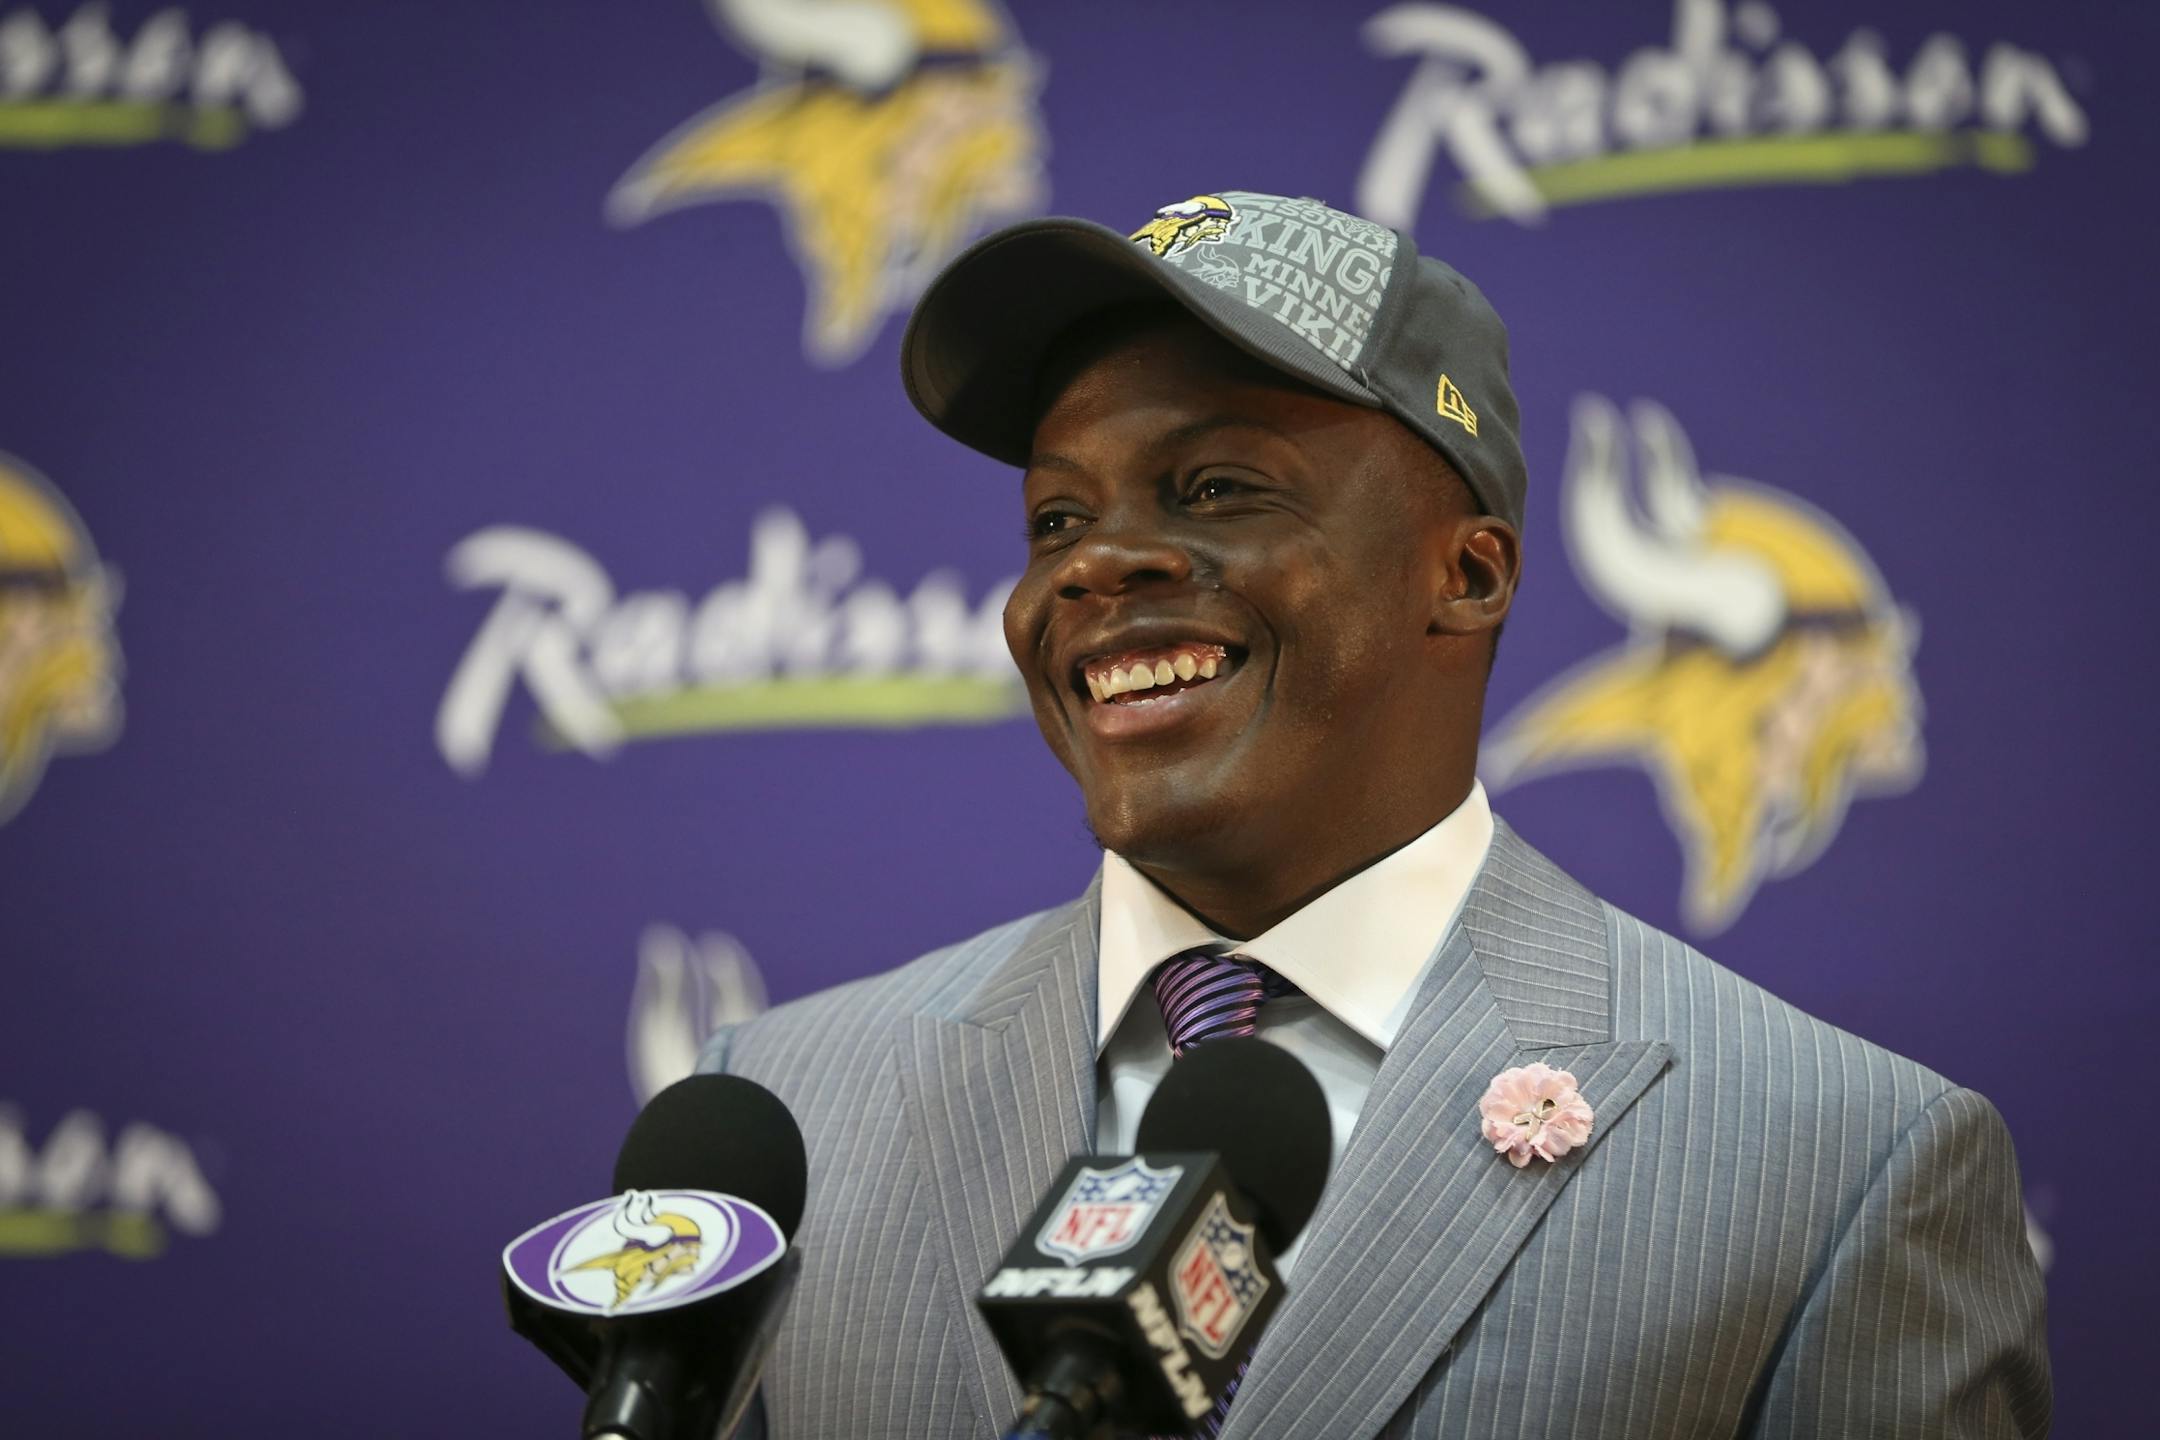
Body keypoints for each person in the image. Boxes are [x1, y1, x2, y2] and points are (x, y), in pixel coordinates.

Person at [699, 191, 2050, 1438]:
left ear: (1465, 574)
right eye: (1056, 518)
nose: (1095, 566)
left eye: (1218, 488)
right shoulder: (786, 1104)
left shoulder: (1843, 1164)